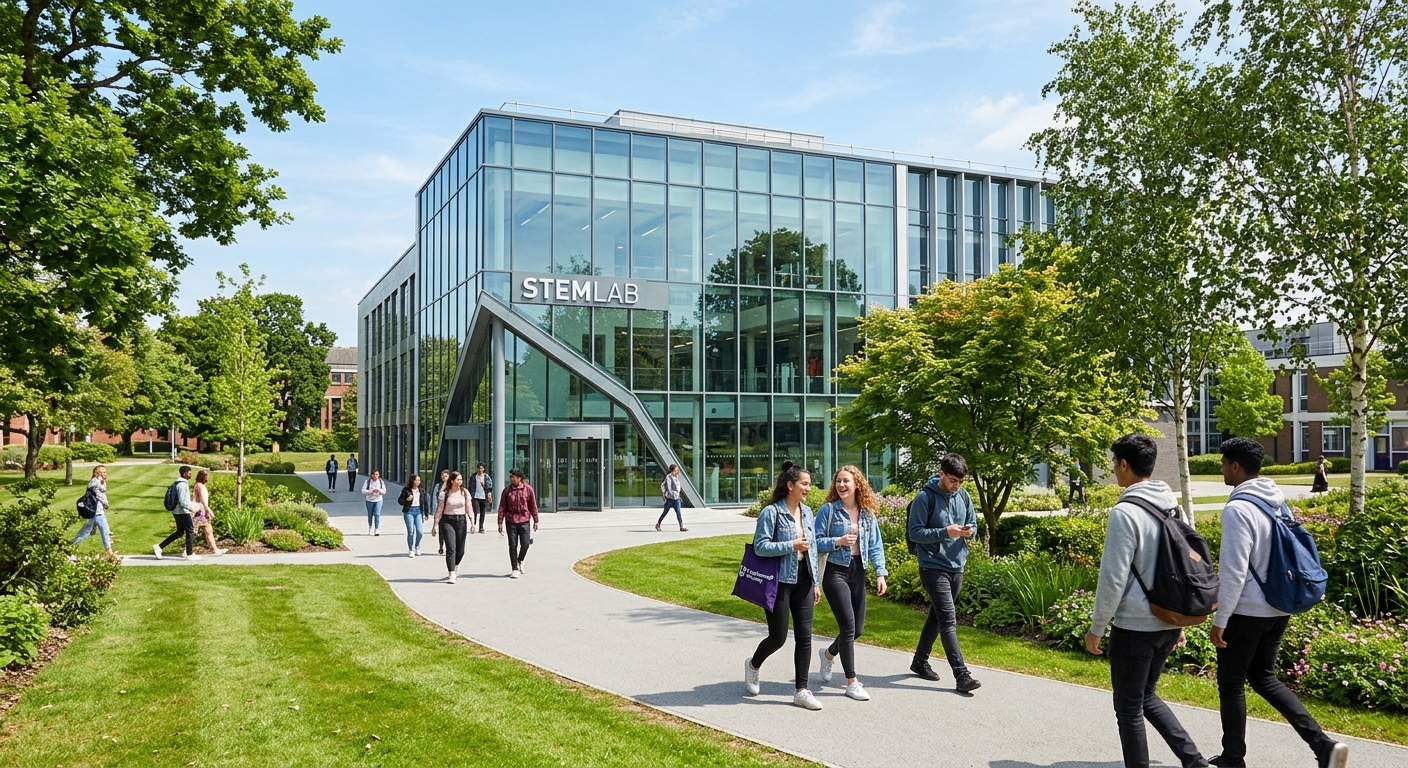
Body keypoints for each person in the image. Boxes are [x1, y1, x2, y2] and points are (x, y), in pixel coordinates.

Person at [1209, 438, 1349, 768]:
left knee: (1230, 684)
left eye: (1223, 463)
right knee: (1263, 677)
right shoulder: (1276, 502)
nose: (1221, 469)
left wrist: (1220, 620)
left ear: (1235, 467)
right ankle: (1323, 745)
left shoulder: (1238, 509)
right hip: (1279, 605)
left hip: (1247, 611)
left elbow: (1233, 571)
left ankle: (1233, 758)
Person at [1087, 434, 1208, 768]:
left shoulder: (1125, 513)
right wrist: (1178, 622)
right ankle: (1195, 761)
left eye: (1114, 463)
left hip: (1136, 626)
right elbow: (1182, 565)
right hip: (1167, 620)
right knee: (1146, 697)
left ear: (1124, 465)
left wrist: (1097, 627)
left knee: (1128, 708)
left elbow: (1113, 578)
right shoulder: (1171, 504)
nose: (1113, 469)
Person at [743, 461, 823, 711]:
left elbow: (814, 549)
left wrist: (816, 582)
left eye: (809, 484)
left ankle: (801, 689)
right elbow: (760, 546)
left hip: (804, 581)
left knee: (805, 636)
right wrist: (791, 545)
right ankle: (753, 665)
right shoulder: (772, 513)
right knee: (778, 638)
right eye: (805, 484)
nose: (808, 488)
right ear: (790, 485)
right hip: (778, 582)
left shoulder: (808, 512)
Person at [908, 452, 982, 693]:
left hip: (956, 564)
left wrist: (971, 531)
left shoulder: (964, 496)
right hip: (932, 566)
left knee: (936, 617)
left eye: (960, 482)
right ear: (941, 474)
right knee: (948, 618)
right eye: (952, 480)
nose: (956, 486)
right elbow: (915, 533)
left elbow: (974, 522)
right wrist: (944, 532)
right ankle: (962, 676)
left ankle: (919, 662)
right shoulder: (924, 498)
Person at [815, 465, 887, 701]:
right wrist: (838, 540)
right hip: (835, 572)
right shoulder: (828, 511)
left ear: (857, 484)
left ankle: (828, 654)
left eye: (846, 481)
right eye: (838, 481)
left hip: (858, 571)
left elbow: (875, 545)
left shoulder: (867, 513)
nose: (841, 485)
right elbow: (816, 542)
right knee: (847, 626)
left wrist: (880, 573)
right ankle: (851, 682)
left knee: (857, 629)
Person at [497, 468, 538, 578]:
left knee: (525, 544)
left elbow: (533, 505)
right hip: (511, 521)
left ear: (519, 478)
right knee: (513, 545)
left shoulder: (528, 489)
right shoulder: (507, 491)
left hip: (524, 520)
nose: (511, 479)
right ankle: (514, 568)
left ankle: (520, 560)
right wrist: (500, 522)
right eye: (510, 477)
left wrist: (536, 520)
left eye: (513, 477)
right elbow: (502, 507)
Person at [431, 470, 472, 582]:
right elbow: (439, 509)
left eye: (461, 479)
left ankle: (455, 565)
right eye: (458, 479)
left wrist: (472, 521)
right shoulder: (444, 493)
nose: (460, 481)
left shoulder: (465, 492)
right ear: (452, 481)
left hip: (461, 520)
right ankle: (451, 573)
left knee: (461, 550)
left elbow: (469, 507)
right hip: (447, 520)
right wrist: (435, 525)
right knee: (451, 548)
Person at [153, 465, 200, 561]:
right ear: (185, 473)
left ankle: (159, 547)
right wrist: (192, 508)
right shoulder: (182, 484)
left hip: (176, 511)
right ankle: (189, 553)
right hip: (183, 511)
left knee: (179, 532)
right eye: (189, 473)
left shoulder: (177, 483)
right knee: (190, 530)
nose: (191, 475)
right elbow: (183, 501)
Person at [72, 465, 113, 554]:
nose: (105, 474)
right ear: (96, 474)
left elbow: (102, 492)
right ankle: (108, 551)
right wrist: (105, 503)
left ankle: (71, 546)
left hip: (95, 510)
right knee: (105, 530)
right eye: (103, 472)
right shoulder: (95, 482)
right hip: (96, 511)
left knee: (86, 530)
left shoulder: (100, 482)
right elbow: (99, 495)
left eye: (105, 472)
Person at [191, 470, 226, 556]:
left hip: (201, 511)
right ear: (202, 477)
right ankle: (186, 550)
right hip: (199, 512)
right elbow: (203, 501)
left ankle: (215, 549)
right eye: (206, 476)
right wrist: (209, 511)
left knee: (207, 530)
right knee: (194, 531)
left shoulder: (200, 485)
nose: (207, 478)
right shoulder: (199, 486)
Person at [398, 473, 426, 558]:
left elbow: (425, 502)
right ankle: (411, 549)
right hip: (409, 511)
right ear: (412, 481)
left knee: (420, 531)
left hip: (418, 511)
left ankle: (417, 545)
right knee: (410, 531)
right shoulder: (406, 490)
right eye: (416, 480)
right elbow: (400, 501)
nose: (418, 482)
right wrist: (407, 500)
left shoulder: (421, 490)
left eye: (419, 480)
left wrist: (426, 513)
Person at [656, 464, 687, 532]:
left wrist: (678, 493)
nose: (677, 471)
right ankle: (658, 524)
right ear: (672, 471)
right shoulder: (669, 477)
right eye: (675, 470)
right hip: (670, 499)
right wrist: (673, 494)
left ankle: (681, 526)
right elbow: (669, 489)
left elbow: (678, 486)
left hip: (676, 498)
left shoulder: (676, 477)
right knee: (665, 512)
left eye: (677, 470)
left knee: (678, 512)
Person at [467, 463, 493, 535]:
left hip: (483, 496)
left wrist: (485, 487)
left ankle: (481, 527)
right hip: (475, 496)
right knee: (475, 510)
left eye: (481, 468)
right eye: (479, 468)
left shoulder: (486, 477)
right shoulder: (473, 477)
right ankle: (473, 524)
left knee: (482, 512)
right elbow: (470, 487)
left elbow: (489, 487)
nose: (480, 470)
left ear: (484, 469)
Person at [431, 468, 450, 555]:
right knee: (441, 530)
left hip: (449, 511)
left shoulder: (451, 487)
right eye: (443, 476)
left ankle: (448, 547)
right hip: (440, 511)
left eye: (446, 476)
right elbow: (435, 498)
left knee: (448, 530)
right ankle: (441, 547)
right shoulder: (438, 486)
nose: (444, 477)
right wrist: (435, 511)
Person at [361, 469, 386, 536]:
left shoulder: (380, 481)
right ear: (371, 475)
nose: (375, 476)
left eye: (377, 474)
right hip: (369, 500)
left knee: (377, 514)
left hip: (378, 500)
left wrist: (379, 491)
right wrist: (371, 491)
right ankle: (370, 527)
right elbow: (363, 491)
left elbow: (384, 491)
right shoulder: (368, 481)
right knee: (370, 514)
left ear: (379, 475)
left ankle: (376, 529)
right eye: (374, 474)